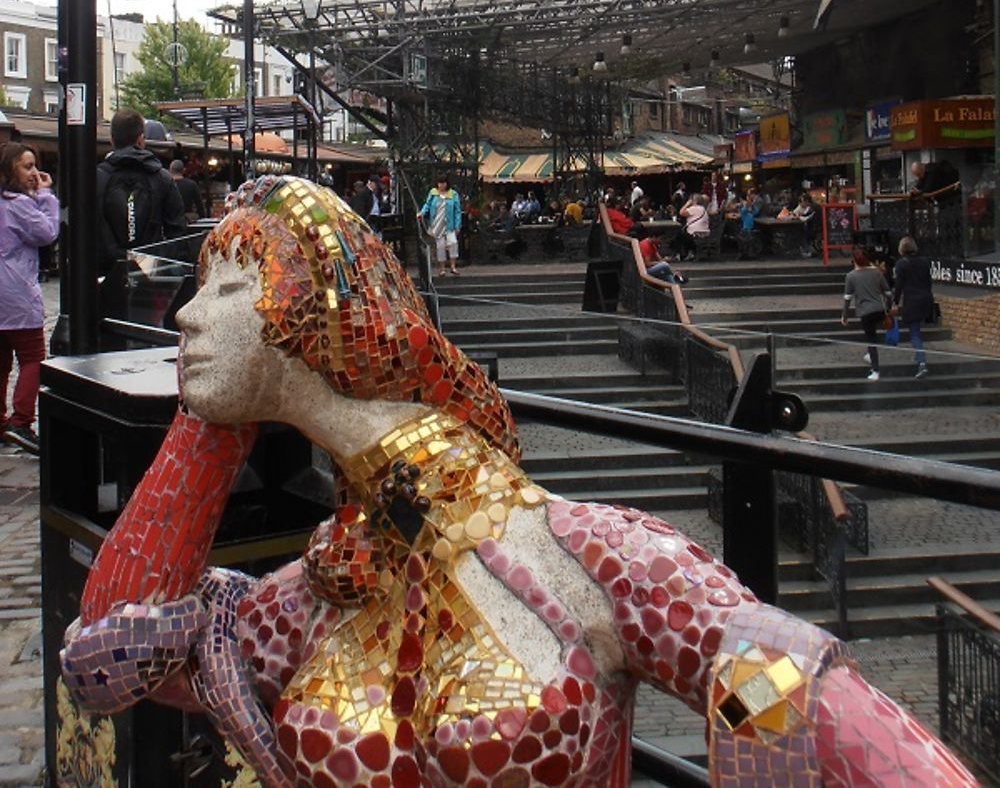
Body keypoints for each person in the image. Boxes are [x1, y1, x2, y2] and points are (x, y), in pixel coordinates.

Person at [60, 177, 974, 787]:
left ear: (312, 304)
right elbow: (109, 656)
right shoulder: (320, 591)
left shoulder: (589, 557)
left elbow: (782, 687)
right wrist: (209, 427)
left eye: (224, 287)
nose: (184, 311)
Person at [0, 143, 60, 455]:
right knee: (33, 357)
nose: (34, 173)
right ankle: (21, 421)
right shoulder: (18, 205)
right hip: (16, 295)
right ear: (10, 170)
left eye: (35, 166)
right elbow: (47, 232)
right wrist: (47, 197)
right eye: (27, 167)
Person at [96, 110, 187, 275]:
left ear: (112, 140)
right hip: (151, 274)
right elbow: (177, 232)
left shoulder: (97, 178)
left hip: (106, 275)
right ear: (140, 139)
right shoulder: (162, 177)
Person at [841, 248, 891, 381]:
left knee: (871, 339)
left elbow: (847, 298)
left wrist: (844, 316)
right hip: (879, 309)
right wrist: (889, 307)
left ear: (855, 261)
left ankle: (875, 370)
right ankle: (870, 355)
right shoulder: (877, 273)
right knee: (874, 334)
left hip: (865, 311)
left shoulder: (851, 276)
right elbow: (888, 293)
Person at [892, 236, 932, 377]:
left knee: (914, 331)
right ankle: (918, 355)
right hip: (926, 299)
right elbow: (928, 282)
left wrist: (895, 303)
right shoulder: (925, 262)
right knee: (917, 330)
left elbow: (898, 286)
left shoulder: (901, 265)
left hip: (912, 300)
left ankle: (921, 363)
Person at [419, 174, 462, 276]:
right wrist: (422, 212)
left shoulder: (453, 194)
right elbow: (428, 205)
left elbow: (457, 211)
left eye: (443, 183)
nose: (441, 185)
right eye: (439, 183)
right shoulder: (433, 193)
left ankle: (453, 266)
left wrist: (457, 225)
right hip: (437, 223)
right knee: (440, 246)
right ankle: (442, 269)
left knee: (453, 243)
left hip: (449, 224)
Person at [169, 159, 206, 223]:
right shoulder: (191, 184)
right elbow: (199, 205)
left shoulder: (166, 185)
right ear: (183, 170)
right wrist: (203, 219)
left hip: (171, 219)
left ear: (170, 170)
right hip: (188, 219)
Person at [677, 193, 711, 259]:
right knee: (683, 235)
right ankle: (690, 253)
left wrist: (687, 204)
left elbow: (681, 212)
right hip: (704, 233)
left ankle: (682, 255)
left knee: (679, 236)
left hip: (696, 233)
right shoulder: (703, 209)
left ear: (694, 201)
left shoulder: (694, 208)